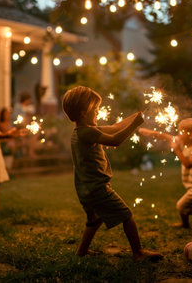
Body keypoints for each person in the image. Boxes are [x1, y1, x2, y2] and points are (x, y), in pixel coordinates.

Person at [62, 86, 163, 262]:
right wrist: (135, 125)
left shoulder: (82, 131)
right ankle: (138, 252)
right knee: (127, 215)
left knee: (94, 219)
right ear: (84, 113)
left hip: (85, 189)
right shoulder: (88, 132)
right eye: (95, 110)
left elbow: (116, 127)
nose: (98, 112)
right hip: (97, 188)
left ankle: (82, 252)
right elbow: (115, 140)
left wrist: (133, 117)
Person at [139, 118, 192, 228]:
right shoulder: (183, 142)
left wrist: (177, 150)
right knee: (185, 206)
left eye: (181, 132)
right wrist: (150, 133)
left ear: (191, 136)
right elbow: (166, 137)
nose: (178, 135)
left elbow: (188, 164)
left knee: (181, 205)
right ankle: (186, 224)